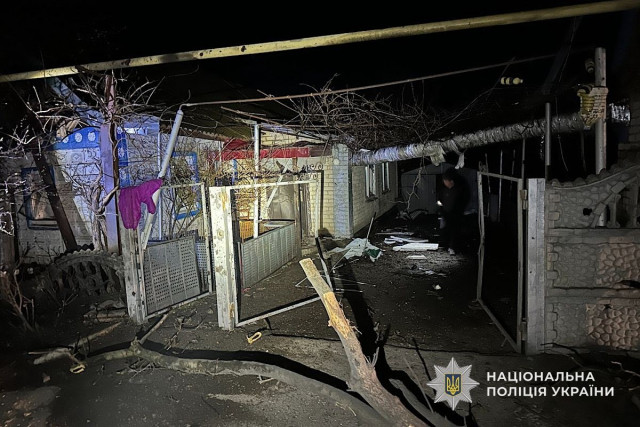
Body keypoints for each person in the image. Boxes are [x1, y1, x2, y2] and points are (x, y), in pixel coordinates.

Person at [438, 168, 469, 255]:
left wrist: (456, 211)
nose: (444, 183)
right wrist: (441, 208)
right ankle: (446, 246)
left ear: (451, 181)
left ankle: (453, 247)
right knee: (445, 229)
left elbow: (462, 202)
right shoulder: (443, 189)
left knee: (454, 231)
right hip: (445, 214)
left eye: (446, 181)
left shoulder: (459, 190)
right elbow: (439, 200)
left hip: (455, 214)